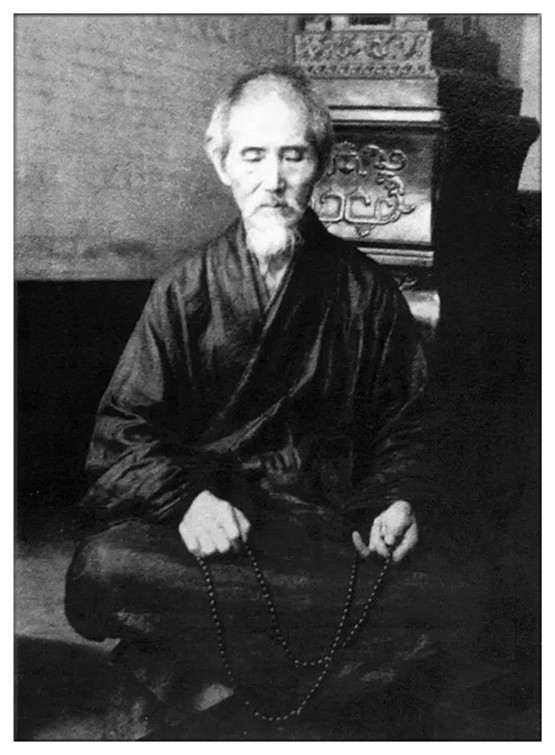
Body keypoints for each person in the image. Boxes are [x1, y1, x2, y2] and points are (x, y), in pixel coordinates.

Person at [65, 65, 438, 740]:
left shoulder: (367, 292)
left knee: (450, 590)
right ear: (221, 165)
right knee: (104, 566)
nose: (273, 180)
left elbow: (405, 426)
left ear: (320, 164)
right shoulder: (183, 290)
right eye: (253, 156)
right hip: (213, 537)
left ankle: (216, 683)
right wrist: (187, 500)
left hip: (319, 532)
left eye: (293, 155)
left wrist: (395, 499)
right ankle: (311, 679)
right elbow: (122, 435)